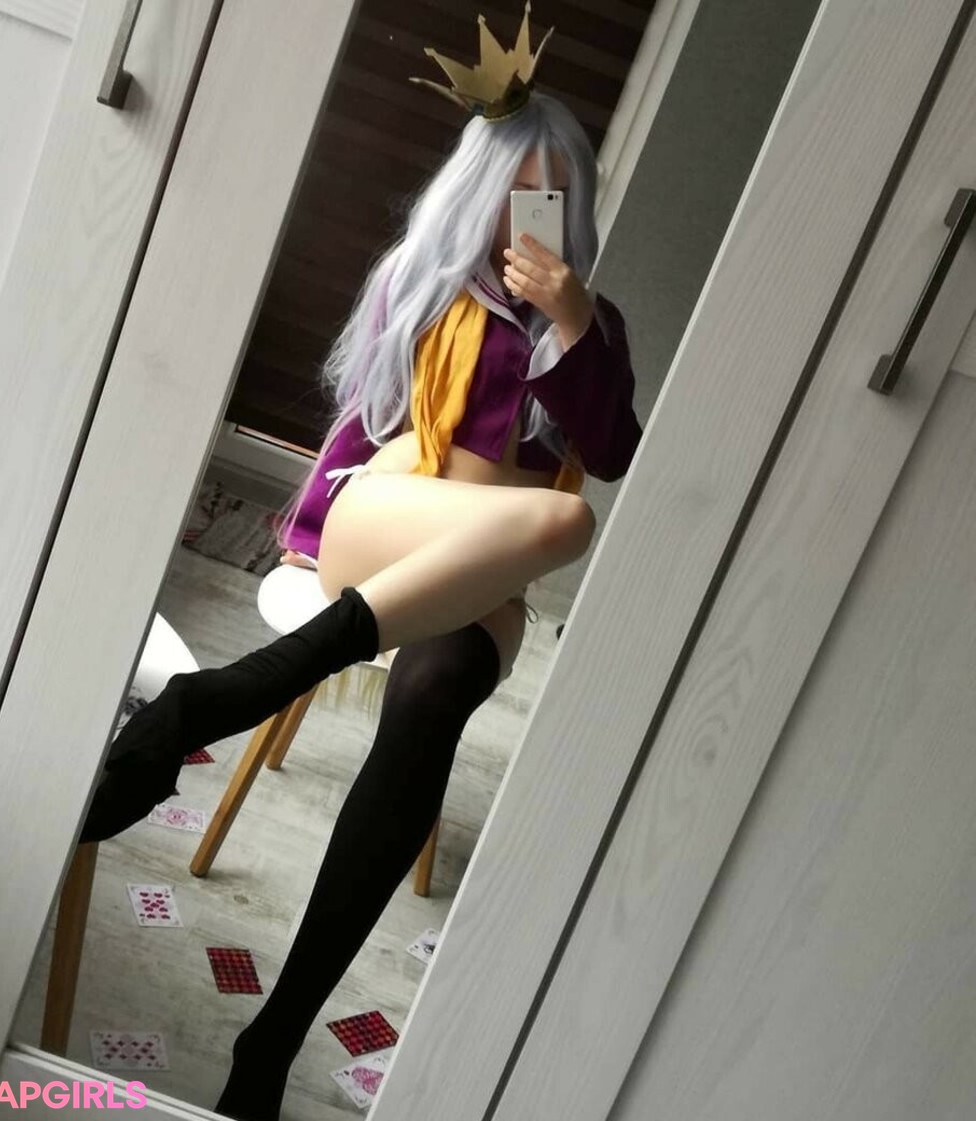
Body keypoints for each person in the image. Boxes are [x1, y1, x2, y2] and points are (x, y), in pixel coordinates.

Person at [78, 6, 642, 1118]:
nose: (525, 220)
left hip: (479, 578)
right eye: (511, 193)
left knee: (462, 655)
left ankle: (273, 1034)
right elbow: (360, 425)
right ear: (474, 192)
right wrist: (304, 540)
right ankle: (234, 691)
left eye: (550, 198)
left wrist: (573, 324)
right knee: (561, 525)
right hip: (380, 521)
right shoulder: (419, 283)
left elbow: (612, 449)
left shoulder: (589, 322)